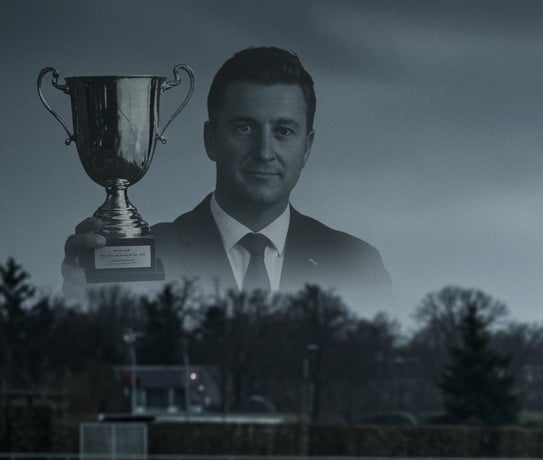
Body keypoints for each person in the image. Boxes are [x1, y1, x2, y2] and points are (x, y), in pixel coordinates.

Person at [62, 46, 390, 306]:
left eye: (283, 131)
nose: (264, 152)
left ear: (307, 147)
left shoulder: (359, 266)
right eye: (244, 128)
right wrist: (80, 308)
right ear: (211, 139)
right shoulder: (146, 255)